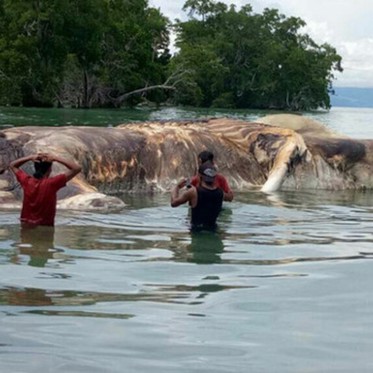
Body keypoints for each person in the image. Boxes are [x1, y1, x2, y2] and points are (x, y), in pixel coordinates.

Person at [9, 152, 81, 226]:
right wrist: (56, 158)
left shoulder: (26, 181)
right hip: (45, 227)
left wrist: (30, 157)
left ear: (35, 168)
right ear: (50, 169)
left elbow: (12, 165)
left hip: (26, 226)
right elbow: (77, 168)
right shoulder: (53, 183)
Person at [171, 162, 223, 231]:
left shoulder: (193, 192)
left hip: (197, 232)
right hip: (213, 230)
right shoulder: (220, 192)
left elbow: (173, 203)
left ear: (199, 175)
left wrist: (177, 187)